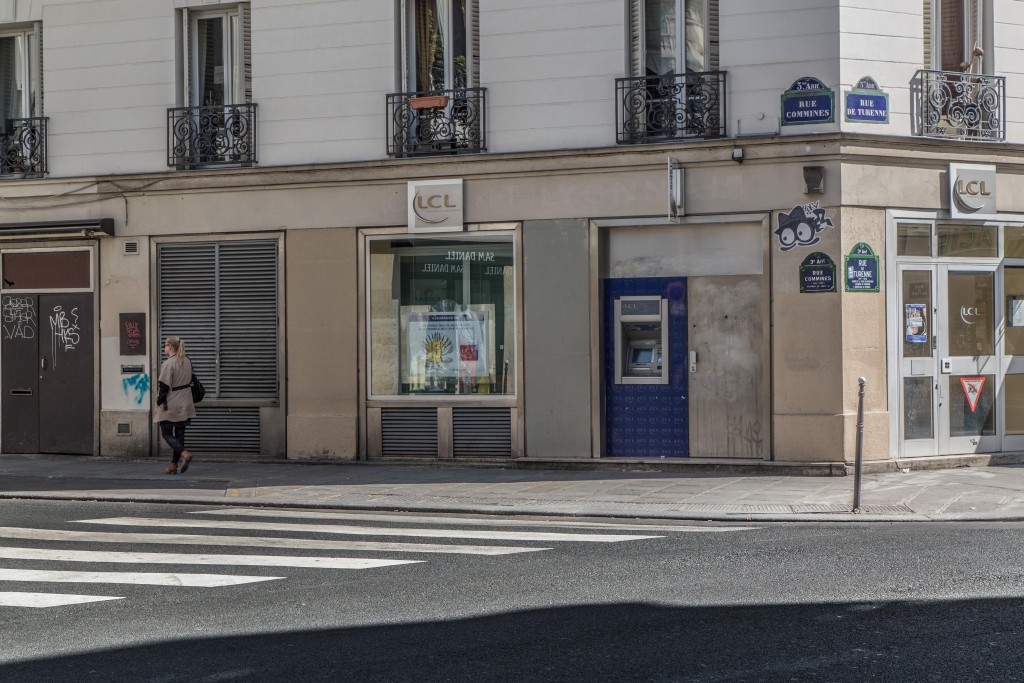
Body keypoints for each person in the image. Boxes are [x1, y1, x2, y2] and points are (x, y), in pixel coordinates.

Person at [155, 336, 197, 474]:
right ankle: (173, 465)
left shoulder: (168, 363)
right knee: (180, 434)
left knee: (166, 433)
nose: (164, 348)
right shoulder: (187, 360)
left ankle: (184, 454)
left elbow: (164, 386)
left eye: (165, 345)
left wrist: (159, 401)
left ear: (171, 347)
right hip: (185, 401)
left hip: (171, 402)